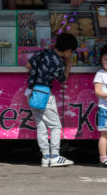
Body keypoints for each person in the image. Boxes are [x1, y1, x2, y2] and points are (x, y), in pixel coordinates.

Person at [25, 33, 78, 167]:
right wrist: (69, 65)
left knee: (41, 126)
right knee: (55, 126)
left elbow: (27, 65)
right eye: (72, 52)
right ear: (68, 51)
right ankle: (55, 156)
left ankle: (45, 157)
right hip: (44, 94)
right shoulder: (57, 62)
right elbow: (62, 79)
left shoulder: (42, 53)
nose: (71, 55)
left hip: (31, 92)